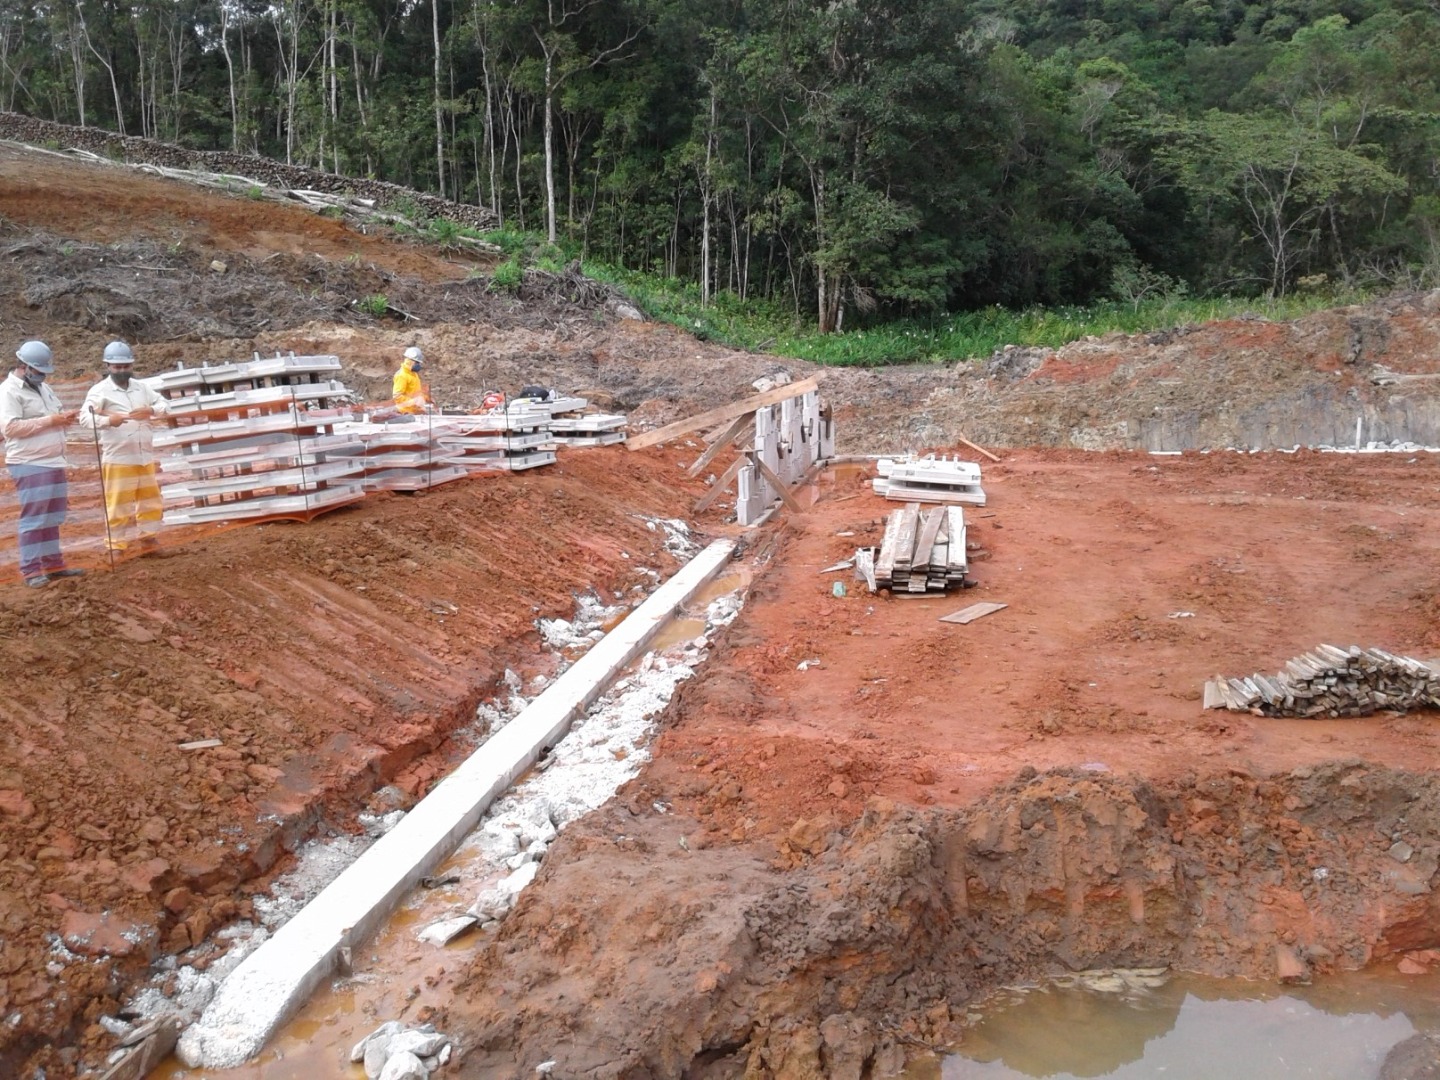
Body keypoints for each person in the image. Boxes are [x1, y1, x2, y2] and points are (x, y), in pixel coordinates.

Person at [0, 340, 84, 588]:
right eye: (38, 372)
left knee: (53, 517)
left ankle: (54, 565)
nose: (42, 376)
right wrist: (50, 421)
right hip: (30, 462)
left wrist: (63, 419)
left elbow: (50, 416)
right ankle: (31, 569)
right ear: (24, 366)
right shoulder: (8, 392)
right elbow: (10, 428)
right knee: (35, 517)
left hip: (53, 461)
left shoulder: (44, 389)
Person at [81, 340, 169, 556]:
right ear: (108, 367)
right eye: (117, 367)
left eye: (125, 367)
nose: (122, 371)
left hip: (144, 456)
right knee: (118, 504)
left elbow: (166, 406)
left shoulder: (142, 388)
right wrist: (109, 421)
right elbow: (85, 418)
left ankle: (149, 541)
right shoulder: (99, 391)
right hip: (119, 457)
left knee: (150, 501)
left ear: (131, 366)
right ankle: (115, 546)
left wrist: (151, 410)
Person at [392, 345, 431, 415]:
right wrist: (414, 402)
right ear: (410, 361)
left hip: (414, 411)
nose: (419, 365)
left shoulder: (413, 374)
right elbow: (397, 396)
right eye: (417, 363)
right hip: (405, 413)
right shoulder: (402, 375)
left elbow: (414, 391)